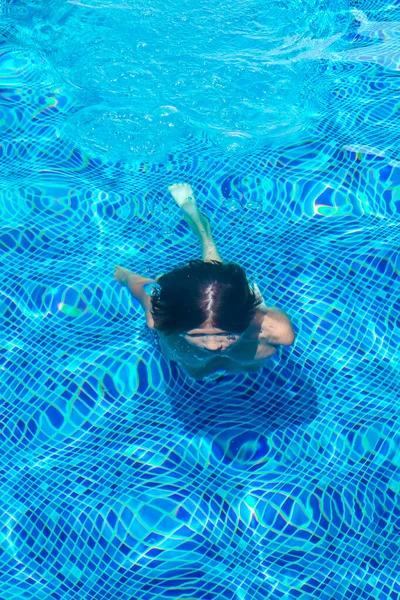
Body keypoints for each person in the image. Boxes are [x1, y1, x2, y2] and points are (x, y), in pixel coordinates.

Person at [114, 183, 295, 381]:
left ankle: (196, 219)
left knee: (214, 275)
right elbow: (140, 288)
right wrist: (125, 276)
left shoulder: (276, 331)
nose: (212, 345)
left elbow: (267, 317)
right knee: (197, 370)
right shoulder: (159, 321)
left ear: (249, 317)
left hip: (237, 314)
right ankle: (193, 216)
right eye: (197, 335)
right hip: (204, 333)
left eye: (227, 335)